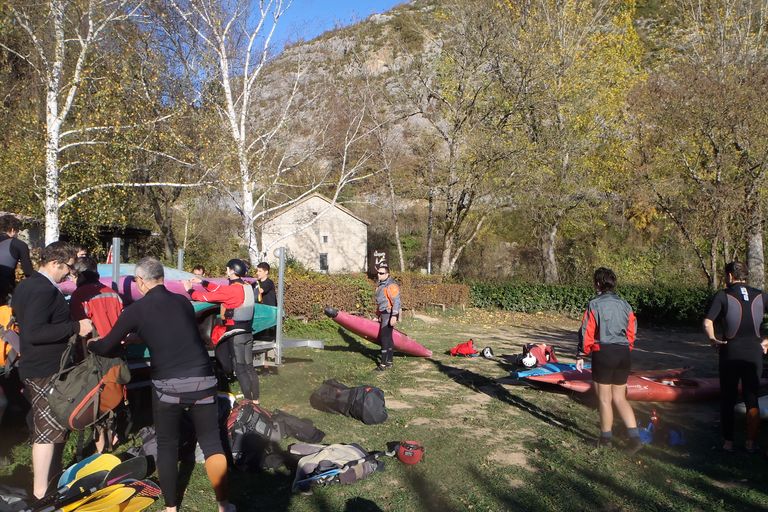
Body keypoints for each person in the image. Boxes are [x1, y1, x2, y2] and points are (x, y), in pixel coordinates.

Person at [88, 257, 235, 512]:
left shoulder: (135, 310)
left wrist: (90, 343)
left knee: (167, 444)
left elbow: (108, 344)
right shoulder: (182, 302)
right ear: (162, 279)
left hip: (168, 386)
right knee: (211, 442)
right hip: (203, 379)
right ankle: (223, 504)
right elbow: (172, 332)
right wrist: (137, 337)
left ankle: (170, 507)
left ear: (141, 282)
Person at [13, 241, 92, 499]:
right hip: (45, 368)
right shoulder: (44, 290)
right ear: (56, 262)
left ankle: (49, 484)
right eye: (68, 268)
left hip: (36, 366)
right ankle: (41, 494)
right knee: (47, 430)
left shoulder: (26, 284)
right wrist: (75, 327)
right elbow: (35, 332)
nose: (69, 274)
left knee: (49, 427)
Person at [703, 261, 768, 453]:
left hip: (730, 351)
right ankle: (750, 442)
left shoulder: (723, 295)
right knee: (752, 396)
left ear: (730, 276)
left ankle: (728, 442)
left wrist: (713, 340)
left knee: (728, 397)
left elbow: (708, 322)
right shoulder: (760, 295)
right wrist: (767, 341)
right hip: (755, 352)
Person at [575, 267, 642, 454]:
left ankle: (605, 440)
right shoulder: (625, 304)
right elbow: (632, 330)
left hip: (604, 352)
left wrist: (581, 354)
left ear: (597, 283)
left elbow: (586, 331)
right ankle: (635, 439)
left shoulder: (594, 304)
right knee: (620, 398)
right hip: (623, 353)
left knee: (604, 399)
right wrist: (625, 348)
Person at [183, 259, 259, 402]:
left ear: (232, 271)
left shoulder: (232, 290)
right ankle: (256, 399)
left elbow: (205, 297)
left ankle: (248, 401)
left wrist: (189, 290)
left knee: (240, 367)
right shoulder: (247, 286)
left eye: (227, 269)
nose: (226, 272)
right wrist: (202, 282)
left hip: (236, 334)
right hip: (248, 333)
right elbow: (218, 289)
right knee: (249, 366)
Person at [69, 256, 123, 452]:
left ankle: (101, 450)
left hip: (92, 356)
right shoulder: (113, 294)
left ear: (79, 275)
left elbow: (79, 328)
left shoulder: (79, 296)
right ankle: (112, 436)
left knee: (95, 400)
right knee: (113, 396)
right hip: (116, 354)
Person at [0, 214, 34, 303]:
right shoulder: (19, 244)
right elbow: (28, 272)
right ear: (12, 230)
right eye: (17, 232)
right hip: (4, 292)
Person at [374, 264, 400, 371]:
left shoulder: (391, 286)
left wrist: (394, 316)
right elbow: (380, 303)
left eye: (381, 273)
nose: (379, 275)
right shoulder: (380, 285)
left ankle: (383, 365)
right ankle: (389, 362)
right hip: (384, 314)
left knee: (384, 338)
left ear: (387, 274)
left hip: (389, 314)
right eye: (378, 273)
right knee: (388, 338)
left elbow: (397, 302)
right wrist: (378, 315)